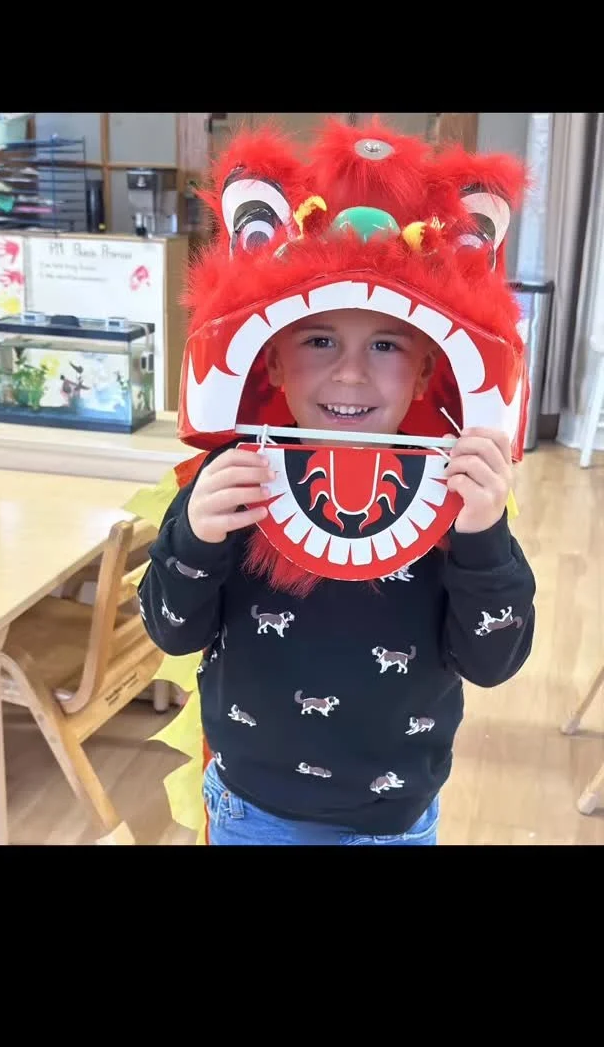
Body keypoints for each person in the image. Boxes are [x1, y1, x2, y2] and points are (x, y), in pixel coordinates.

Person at [138, 302, 536, 846]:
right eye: (319, 341)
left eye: (385, 345)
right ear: (273, 362)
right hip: (255, 813)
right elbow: (172, 631)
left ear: (424, 371)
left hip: (399, 817)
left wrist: (483, 538)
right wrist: (194, 537)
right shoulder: (229, 481)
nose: (351, 373)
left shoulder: (457, 495)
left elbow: (492, 662)